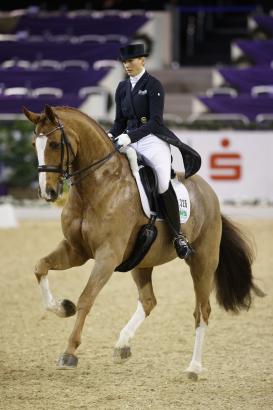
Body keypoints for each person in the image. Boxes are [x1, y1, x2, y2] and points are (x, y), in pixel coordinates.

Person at [108, 43, 201, 259]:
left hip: (152, 140)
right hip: (128, 140)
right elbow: (118, 122)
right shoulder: (122, 88)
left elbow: (155, 121)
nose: (127, 65)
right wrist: (110, 135)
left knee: (161, 182)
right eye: (124, 62)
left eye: (131, 61)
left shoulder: (153, 85)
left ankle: (178, 236)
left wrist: (130, 136)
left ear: (142, 60)